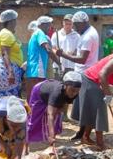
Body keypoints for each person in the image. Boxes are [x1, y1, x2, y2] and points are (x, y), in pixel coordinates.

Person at [55, 11, 99, 141]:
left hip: (86, 74)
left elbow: (82, 59)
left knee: (85, 106)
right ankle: (81, 132)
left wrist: (63, 55)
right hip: (85, 72)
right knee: (82, 106)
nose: (75, 28)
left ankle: (83, 134)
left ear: (84, 23)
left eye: (77, 25)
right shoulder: (89, 32)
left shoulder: (88, 36)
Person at [27, 71, 82, 145]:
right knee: (34, 118)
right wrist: (51, 136)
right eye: (72, 90)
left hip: (52, 92)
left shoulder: (73, 93)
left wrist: (59, 110)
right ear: (65, 86)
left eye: (77, 91)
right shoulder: (56, 93)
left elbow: (63, 104)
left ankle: (51, 137)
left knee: (58, 115)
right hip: (38, 92)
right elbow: (50, 115)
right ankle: (26, 142)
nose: (74, 93)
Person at [25, 16, 61, 101]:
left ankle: (31, 113)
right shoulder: (40, 33)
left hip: (32, 70)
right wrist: (58, 62)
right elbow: (48, 49)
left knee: (31, 96)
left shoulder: (34, 34)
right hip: (38, 69)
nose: (50, 28)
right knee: (38, 96)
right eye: (48, 25)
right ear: (42, 25)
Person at [0, 9, 24, 103]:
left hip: (8, 67)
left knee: (8, 100)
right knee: (8, 100)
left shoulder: (7, 33)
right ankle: (5, 117)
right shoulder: (6, 34)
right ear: (11, 21)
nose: (16, 23)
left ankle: (5, 117)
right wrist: (10, 72)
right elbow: (5, 53)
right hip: (7, 69)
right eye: (15, 20)